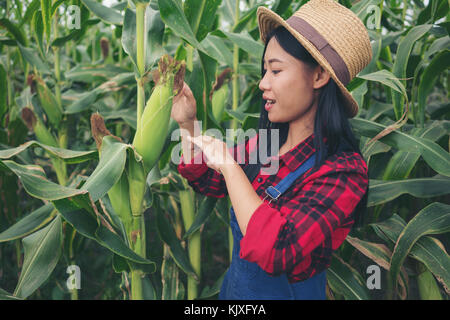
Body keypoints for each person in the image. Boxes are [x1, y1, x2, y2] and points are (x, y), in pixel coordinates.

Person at [171, 0, 372, 300]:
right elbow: (206, 179)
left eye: (275, 71)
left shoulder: (343, 172)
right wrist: (188, 124)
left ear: (319, 76)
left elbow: (278, 249)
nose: (263, 83)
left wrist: (229, 164)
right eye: (264, 71)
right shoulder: (266, 146)